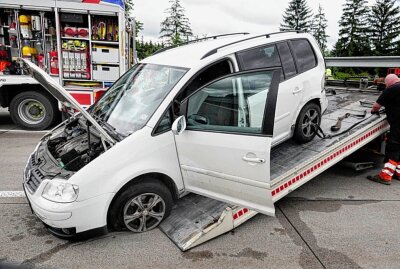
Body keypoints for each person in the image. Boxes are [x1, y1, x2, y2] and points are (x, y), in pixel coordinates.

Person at [367, 74, 400, 185]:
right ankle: (398, 173)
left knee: (394, 147)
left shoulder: (391, 89)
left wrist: (373, 111)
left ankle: (385, 176)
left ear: (388, 83)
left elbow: (376, 106)